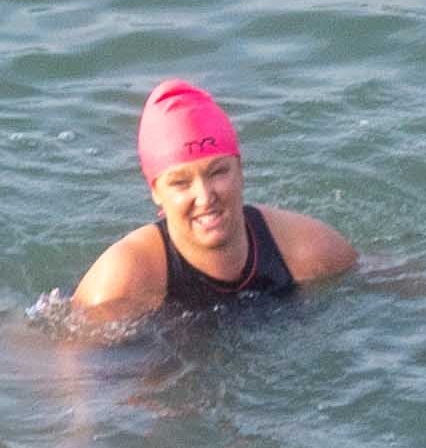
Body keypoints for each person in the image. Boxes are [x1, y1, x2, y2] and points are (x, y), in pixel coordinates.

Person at [69, 78, 356, 326]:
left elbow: (380, 279)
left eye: (218, 172)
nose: (205, 197)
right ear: (156, 191)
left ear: (240, 170)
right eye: (181, 182)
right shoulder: (122, 283)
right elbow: (69, 373)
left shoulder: (307, 250)